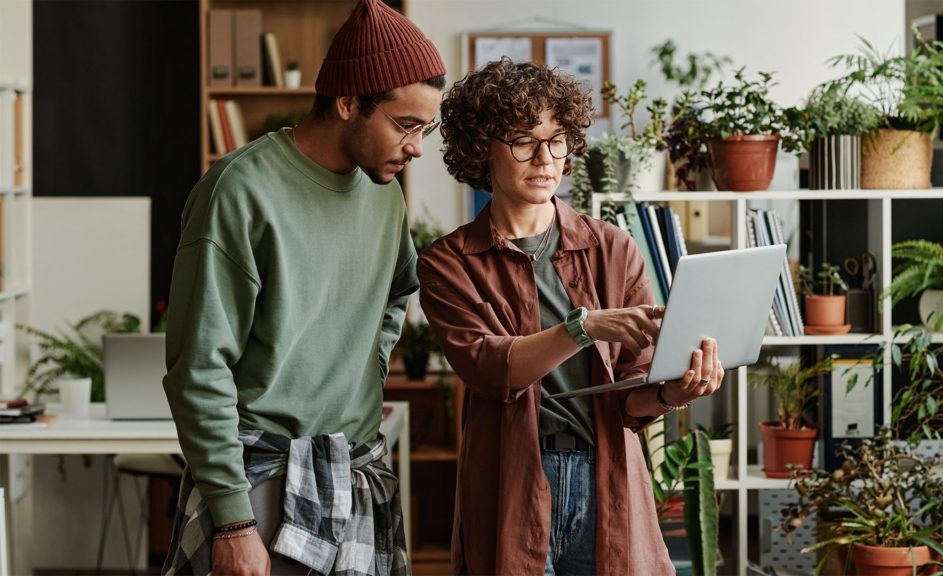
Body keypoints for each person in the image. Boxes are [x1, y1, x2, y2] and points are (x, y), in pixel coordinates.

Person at [161, 1, 445, 574]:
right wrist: (234, 520)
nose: (417, 146)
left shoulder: (384, 193)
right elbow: (198, 368)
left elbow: (396, 292)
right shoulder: (239, 193)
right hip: (259, 482)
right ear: (347, 103)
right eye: (406, 125)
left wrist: (367, 367)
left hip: (356, 469)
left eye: (426, 128)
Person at [417, 58, 725, 576]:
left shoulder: (612, 247)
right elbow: (492, 369)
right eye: (522, 140)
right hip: (512, 479)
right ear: (479, 150)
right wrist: (584, 327)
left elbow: (631, 391)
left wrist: (676, 392)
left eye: (556, 139)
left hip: (605, 476)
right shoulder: (449, 263)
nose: (545, 158)